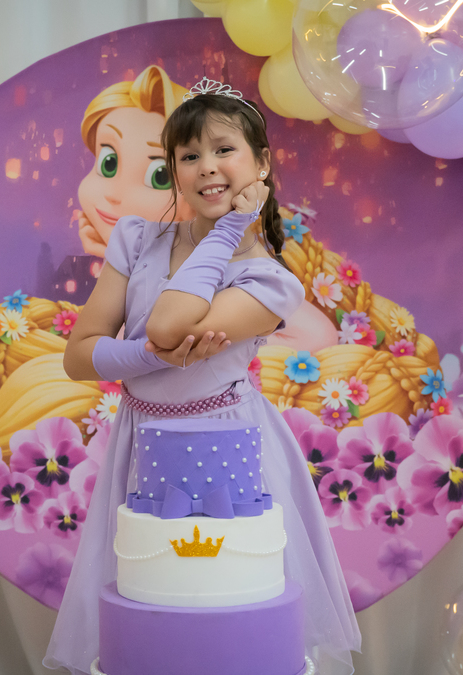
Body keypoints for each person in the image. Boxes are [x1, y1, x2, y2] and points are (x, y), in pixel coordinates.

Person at [42, 79, 361, 675]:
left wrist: (229, 230)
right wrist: (156, 359)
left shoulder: (271, 281)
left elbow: (168, 322)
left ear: (261, 164)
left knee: (232, 614)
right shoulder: (136, 239)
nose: (206, 167)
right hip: (141, 442)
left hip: (229, 443)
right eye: (189, 156)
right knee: (151, 610)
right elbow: (79, 357)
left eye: (224, 150)